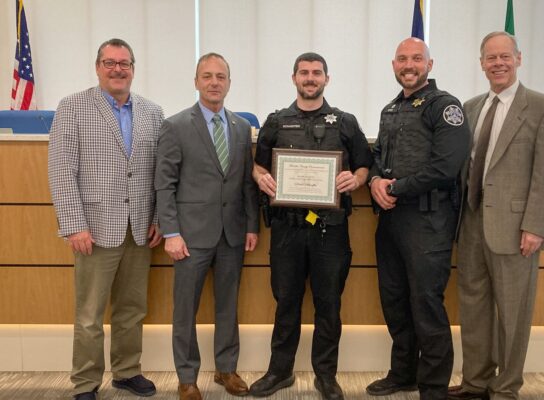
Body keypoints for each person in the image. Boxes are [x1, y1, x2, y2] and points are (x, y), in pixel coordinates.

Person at [448, 31, 544, 400]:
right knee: (474, 307)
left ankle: (506, 386)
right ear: (481, 63)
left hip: (516, 230)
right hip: (471, 224)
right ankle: (476, 381)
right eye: (490, 58)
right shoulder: (470, 107)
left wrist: (535, 226)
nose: (497, 63)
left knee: (513, 314)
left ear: (518, 59)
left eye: (504, 57)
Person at [249, 52, 373, 400]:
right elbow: (258, 167)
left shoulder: (345, 122)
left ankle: (326, 375)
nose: (310, 78)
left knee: (328, 303)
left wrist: (356, 178)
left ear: (326, 79)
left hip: (329, 229)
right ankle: (279, 371)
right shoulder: (276, 121)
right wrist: (261, 179)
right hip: (287, 229)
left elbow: (365, 165)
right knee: (285, 300)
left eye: (316, 73)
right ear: (294, 78)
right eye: (304, 72)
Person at [48, 38, 164, 400]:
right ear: (97, 67)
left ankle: (127, 371)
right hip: (94, 229)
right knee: (89, 315)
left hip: (140, 228)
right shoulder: (73, 107)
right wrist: (73, 223)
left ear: (133, 69)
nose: (117, 69)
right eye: (110, 62)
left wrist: (159, 216)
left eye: (124, 63)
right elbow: (61, 170)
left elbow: (161, 171)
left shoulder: (152, 112)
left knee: (132, 310)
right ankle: (85, 382)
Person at [366, 38, 470, 400]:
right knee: (395, 300)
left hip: (429, 221)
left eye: (416, 59)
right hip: (392, 221)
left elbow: (446, 166)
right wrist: (376, 181)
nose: (408, 65)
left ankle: (434, 387)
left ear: (430, 64)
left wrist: (395, 188)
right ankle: (402, 374)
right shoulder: (390, 109)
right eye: (401, 59)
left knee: (426, 303)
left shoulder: (445, 107)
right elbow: (378, 155)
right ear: (393, 65)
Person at [154, 53, 259, 400]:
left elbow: (246, 183)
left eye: (221, 77)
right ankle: (187, 378)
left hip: (232, 233)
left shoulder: (242, 128)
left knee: (228, 305)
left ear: (229, 82)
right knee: (185, 308)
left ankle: (226, 370)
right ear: (196, 81)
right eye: (207, 76)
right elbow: (164, 184)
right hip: (189, 235)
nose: (214, 82)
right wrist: (170, 232)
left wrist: (251, 226)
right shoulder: (175, 125)